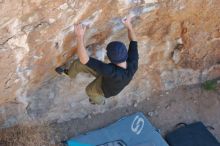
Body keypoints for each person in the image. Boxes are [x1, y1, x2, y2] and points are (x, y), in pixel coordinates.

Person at [55, 15, 138, 105]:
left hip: (105, 90)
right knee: (78, 64)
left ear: (110, 59)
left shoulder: (109, 70)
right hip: (112, 80)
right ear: (126, 52)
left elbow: (85, 60)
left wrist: (79, 36)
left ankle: (99, 101)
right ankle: (70, 74)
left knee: (89, 90)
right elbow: (133, 41)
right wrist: (128, 25)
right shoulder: (133, 61)